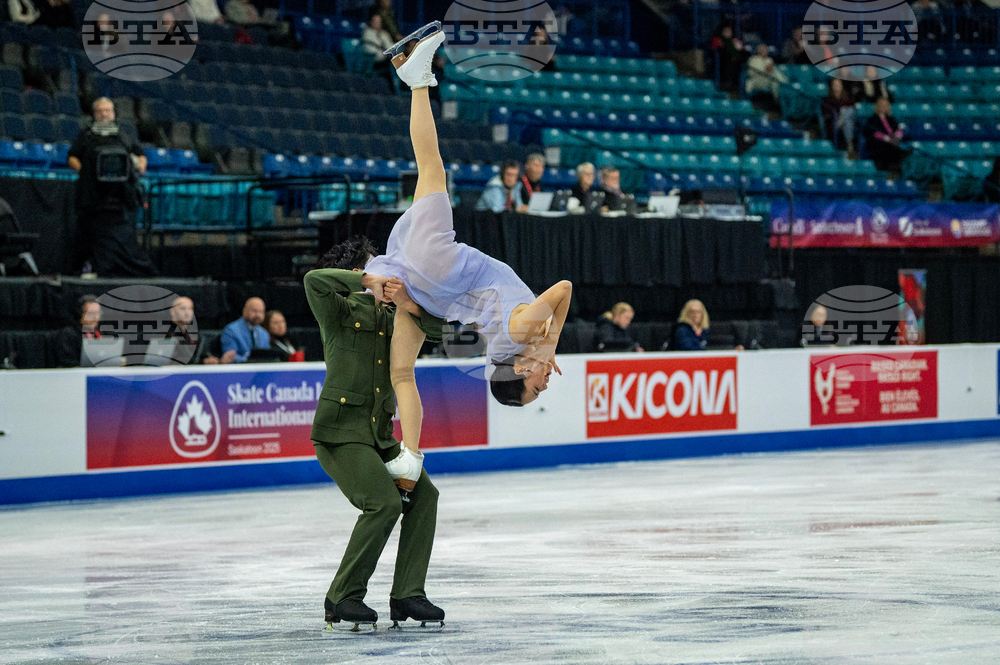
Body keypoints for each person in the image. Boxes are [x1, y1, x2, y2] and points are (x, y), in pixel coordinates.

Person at [363, 25, 573, 495]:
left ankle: (418, 78)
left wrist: (548, 347)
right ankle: (411, 457)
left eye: (537, 385)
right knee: (401, 372)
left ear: (520, 371)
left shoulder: (520, 338)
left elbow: (563, 289)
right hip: (429, 288)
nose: (545, 381)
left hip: (442, 264)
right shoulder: (502, 350)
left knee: (432, 164)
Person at [304, 235, 446, 631]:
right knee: (384, 503)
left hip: (381, 437)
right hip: (340, 433)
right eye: (378, 267)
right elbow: (314, 279)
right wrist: (366, 282)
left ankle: (407, 594)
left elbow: (437, 329)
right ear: (359, 273)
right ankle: (343, 595)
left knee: (424, 496)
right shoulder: (337, 307)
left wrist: (405, 302)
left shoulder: (394, 313)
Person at [68, 98, 157, 277]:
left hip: (120, 198)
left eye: (108, 110)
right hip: (93, 199)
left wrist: (140, 163)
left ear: (114, 113)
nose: (105, 114)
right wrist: (85, 172)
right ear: (94, 114)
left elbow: (140, 156)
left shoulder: (124, 135)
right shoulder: (86, 136)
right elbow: (72, 158)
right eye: (101, 111)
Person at [862, 98, 909, 173]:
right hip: (879, 144)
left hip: (892, 142)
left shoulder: (891, 119)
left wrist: (896, 136)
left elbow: (898, 130)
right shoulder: (872, 119)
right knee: (889, 147)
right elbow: (872, 132)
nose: (883, 107)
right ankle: (891, 169)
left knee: (901, 147)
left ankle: (897, 168)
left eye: (885, 105)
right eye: (881, 105)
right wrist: (887, 139)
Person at [53, 295, 101, 368]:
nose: (96, 318)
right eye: (91, 314)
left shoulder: (104, 332)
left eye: (97, 313)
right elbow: (66, 361)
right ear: (80, 314)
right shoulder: (69, 334)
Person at [221, 297, 270, 363]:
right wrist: (251, 360)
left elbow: (267, 357)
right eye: (254, 311)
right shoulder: (231, 330)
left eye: (261, 312)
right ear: (244, 311)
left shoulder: (264, 334)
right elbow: (230, 357)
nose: (258, 315)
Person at [163, 296, 203, 364]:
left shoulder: (193, 334)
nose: (187, 313)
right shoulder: (163, 334)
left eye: (190, 309)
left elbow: (201, 354)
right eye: (183, 309)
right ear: (172, 311)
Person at [745, 44, 784, 112]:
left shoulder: (769, 60)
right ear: (758, 51)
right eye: (762, 50)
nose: (764, 51)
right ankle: (776, 99)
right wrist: (765, 69)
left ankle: (778, 96)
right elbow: (751, 73)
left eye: (765, 50)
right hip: (756, 80)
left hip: (768, 80)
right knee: (773, 77)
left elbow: (775, 71)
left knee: (774, 77)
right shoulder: (753, 59)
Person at [822, 78, 856, 155]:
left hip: (843, 122)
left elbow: (852, 110)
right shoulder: (828, 99)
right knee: (846, 115)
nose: (837, 87)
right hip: (833, 122)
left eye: (839, 85)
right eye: (835, 85)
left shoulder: (847, 98)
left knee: (848, 113)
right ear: (832, 87)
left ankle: (849, 143)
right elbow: (826, 112)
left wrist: (841, 117)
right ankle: (849, 143)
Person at [363, 13, 395, 87]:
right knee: (389, 64)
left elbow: (390, 47)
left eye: (379, 22)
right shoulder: (367, 33)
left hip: (386, 59)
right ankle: (392, 89)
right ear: (371, 22)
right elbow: (371, 50)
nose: (377, 24)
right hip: (372, 61)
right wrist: (385, 54)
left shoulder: (384, 34)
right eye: (375, 21)